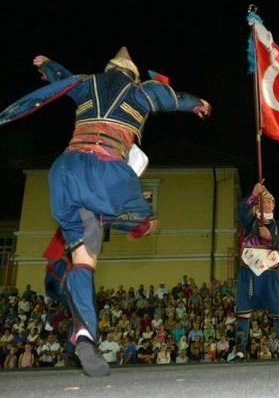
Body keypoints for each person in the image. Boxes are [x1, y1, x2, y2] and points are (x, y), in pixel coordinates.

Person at [11, 47, 211, 376]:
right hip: (104, 169)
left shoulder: (86, 83)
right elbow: (173, 97)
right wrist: (199, 104)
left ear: (108, 69)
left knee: (82, 259)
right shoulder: (141, 91)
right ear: (131, 73)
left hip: (65, 172)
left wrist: (48, 65)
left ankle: (84, 333)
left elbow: (61, 79)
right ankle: (130, 221)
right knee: (143, 219)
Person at [233, 182, 279, 361]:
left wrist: (271, 237)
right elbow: (240, 212)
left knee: (278, 309)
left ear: (274, 205)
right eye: (262, 201)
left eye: (270, 202)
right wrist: (253, 194)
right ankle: (239, 351)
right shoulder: (249, 221)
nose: (266, 204)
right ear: (257, 204)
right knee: (244, 311)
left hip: (269, 273)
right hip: (248, 272)